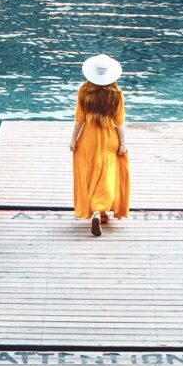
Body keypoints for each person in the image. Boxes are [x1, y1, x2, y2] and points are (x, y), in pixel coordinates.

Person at [71, 53, 130, 238]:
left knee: (91, 173)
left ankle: (99, 212)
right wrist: (123, 144)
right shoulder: (116, 94)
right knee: (107, 174)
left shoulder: (84, 91)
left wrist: (73, 139)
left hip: (88, 138)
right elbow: (119, 121)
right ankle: (99, 210)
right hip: (109, 138)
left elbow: (80, 119)